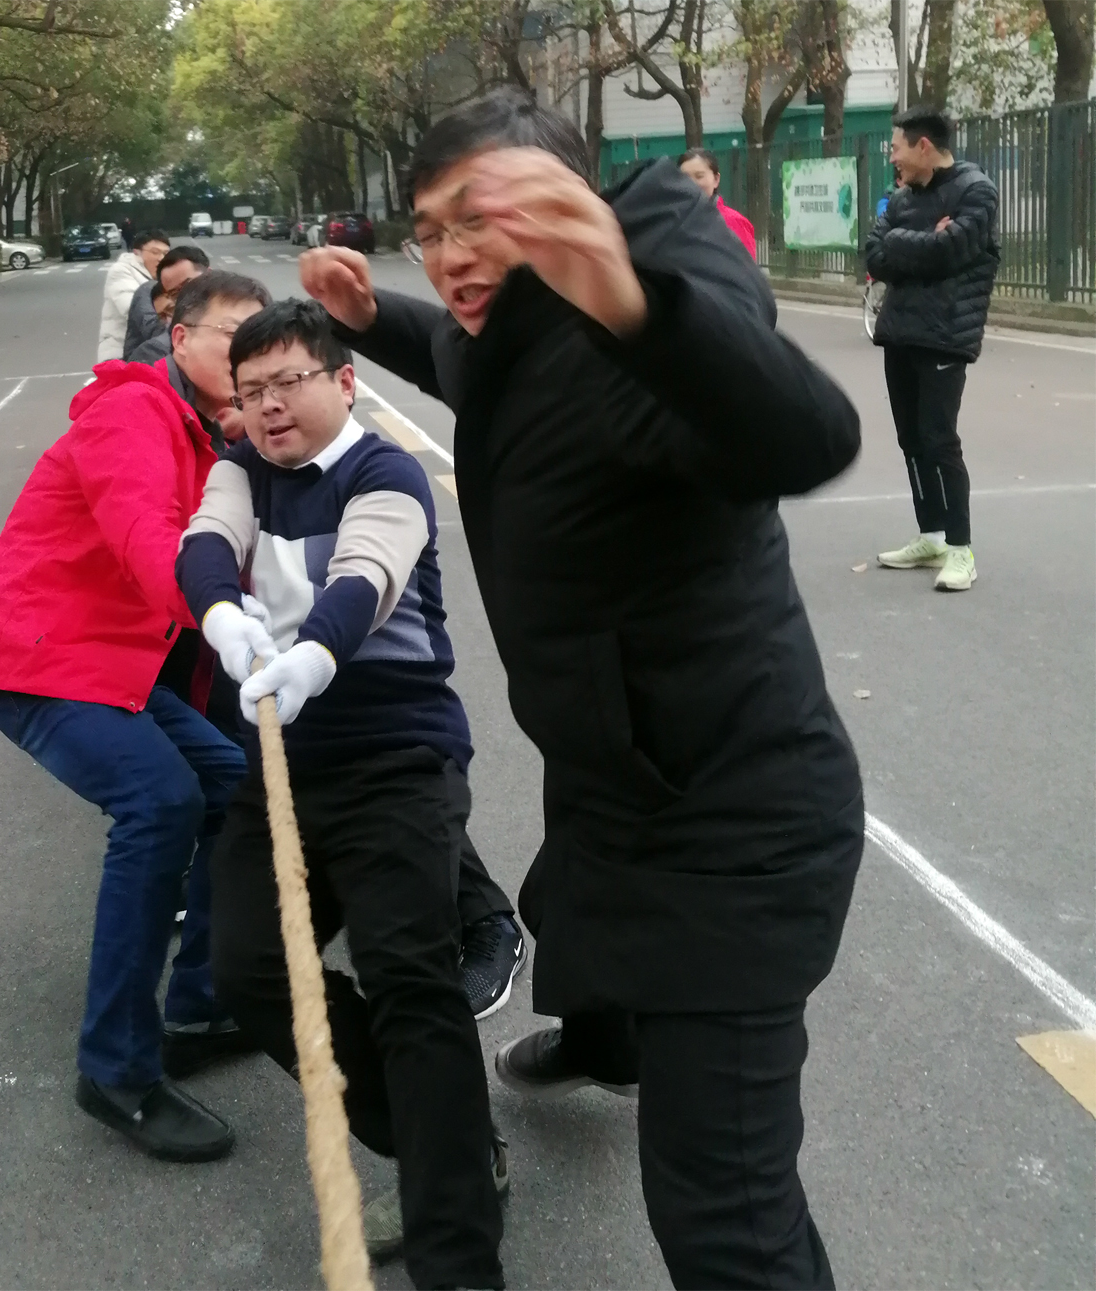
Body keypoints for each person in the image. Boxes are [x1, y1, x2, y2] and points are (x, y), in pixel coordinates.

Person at [301, 87, 863, 1290]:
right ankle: (610, 1040)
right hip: (618, 782)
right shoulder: (510, 328)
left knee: (723, 1211)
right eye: (429, 228)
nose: (451, 252)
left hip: (734, 825)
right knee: (566, 908)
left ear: (568, 200)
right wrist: (370, 318)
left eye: (480, 217)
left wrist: (631, 302)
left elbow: (805, 434)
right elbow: (467, 363)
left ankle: (639, 1048)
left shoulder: (637, 303)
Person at [177, 299, 505, 1291]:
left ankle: (458, 1252)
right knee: (248, 968)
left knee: (410, 977)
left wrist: (316, 653)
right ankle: (440, 1134)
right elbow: (204, 542)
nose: (269, 407)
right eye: (251, 392)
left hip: (396, 757)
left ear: (344, 381)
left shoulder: (387, 472)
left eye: (289, 382)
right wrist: (221, 615)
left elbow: (367, 576)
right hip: (281, 763)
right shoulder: (242, 469)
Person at [0, 270, 273, 1162]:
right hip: (47, 654)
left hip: (124, 667)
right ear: (180, 338)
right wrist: (215, 607)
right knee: (161, 801)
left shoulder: (213, 436)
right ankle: (116, 1068)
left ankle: (200, 1003)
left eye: (264, 345)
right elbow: (146, 534)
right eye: (234, 337)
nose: (250, 360)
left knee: (235, 790)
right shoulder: (133, 412)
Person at [866, 106, 999, 593]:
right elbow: (874, 255)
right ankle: (932, 536)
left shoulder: (976, 191)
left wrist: (905, 245)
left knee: (939, 439)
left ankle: (961, 549)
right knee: (911, 440)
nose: (892, 158)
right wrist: (925, 239)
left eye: (896, 148)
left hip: (945, 334)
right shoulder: (902, 197)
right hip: (899, 332)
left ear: (924, 146)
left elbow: (952, 251)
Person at [124, 244, 210, 360]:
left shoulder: (233, 301)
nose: (185, 295)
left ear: (209, 273)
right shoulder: (160, 350)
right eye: (175, 293)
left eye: (188, 284)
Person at [96, 230, 169, 364]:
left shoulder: (161, 277)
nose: (161, 258)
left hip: (147, 353)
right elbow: (132, 309)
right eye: (155, 252)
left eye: (165, 253)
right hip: (119, 354)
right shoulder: (121, 271)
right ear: (137, 253)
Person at [677, 147, 756, 259]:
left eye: (699, 176)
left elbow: (746, 267)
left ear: (716, 179)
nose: (692, 183)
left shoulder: (733, 222)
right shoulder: (674, 221)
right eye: (685, 177)